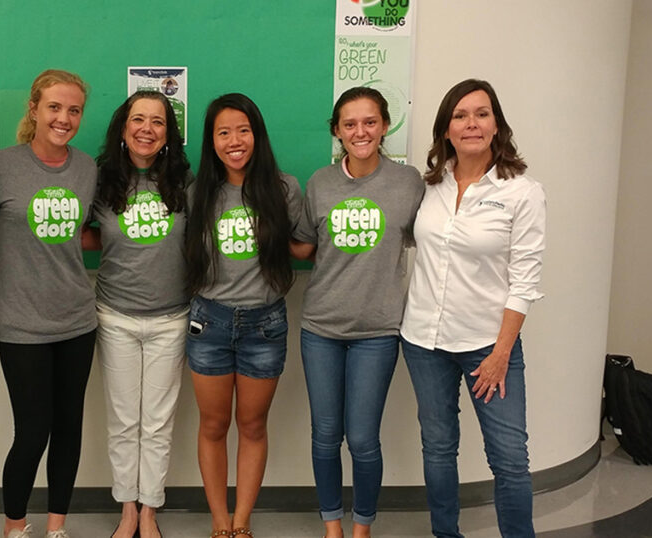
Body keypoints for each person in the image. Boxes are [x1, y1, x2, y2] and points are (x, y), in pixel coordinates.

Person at [400, 79, 546, 538]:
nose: (471, 124)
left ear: (496, 124)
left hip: (489, 345)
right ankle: (446, 534)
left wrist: (501, 353)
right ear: (446, 129)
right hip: (423, 340)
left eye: (482, 114)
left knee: (509, 458)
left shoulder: (522, 192)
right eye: (460, 116)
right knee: (438, 449)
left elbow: (525, 280)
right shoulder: (430, 185)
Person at [293, 87, 424, 538]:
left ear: (385, 126)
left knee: (364, 440)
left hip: (379, 331)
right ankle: (333, 527)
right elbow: (307, 248)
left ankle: (362, 528)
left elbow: (432, 244)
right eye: (349, 124)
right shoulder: (319, 183)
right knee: (325, 436)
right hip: (321, 329)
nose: (360, 131)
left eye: (369, 122)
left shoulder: (409, 184)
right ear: (337, 132)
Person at [0, 69, 97, 538]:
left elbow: (89, 234)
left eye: (73, 110)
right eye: (54, 107)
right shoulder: (2, 166)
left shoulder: (88, 169)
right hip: (21, 324)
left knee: (69, 428)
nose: (64, 118)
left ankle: (56, 527)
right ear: (33, 109)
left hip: (77, 321)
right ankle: (15, 527)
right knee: (32, 432)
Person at [183, 93, 304, 538]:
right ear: (211, 141)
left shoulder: (285, 189)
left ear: (257, 134)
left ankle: (242, 522)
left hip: (264, 325)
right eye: (223, 132)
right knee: (213, 425)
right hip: (209, 322)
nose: (235, 141)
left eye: (243, 130)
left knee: (253, 425)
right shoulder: (198, 192)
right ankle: (219, 522)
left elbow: (302, 245)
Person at [89, 90, 191, 538]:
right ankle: (127, 509)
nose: (147, 129)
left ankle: (150, 509)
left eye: (158, 122)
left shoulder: (187, 183)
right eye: (138, 120)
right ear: (123, 127)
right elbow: (80, 234)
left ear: (168, 134)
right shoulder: (98, 179)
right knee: (124, 420)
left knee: (157, 422)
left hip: (172, 318)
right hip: (115, 316)